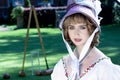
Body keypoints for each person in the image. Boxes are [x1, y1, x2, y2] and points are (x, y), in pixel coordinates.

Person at [51, 0, 120, 80]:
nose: (76, 33)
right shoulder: (61, 66)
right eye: (71, 27)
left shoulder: (105, 69)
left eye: (82, 27)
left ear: (92, 29)